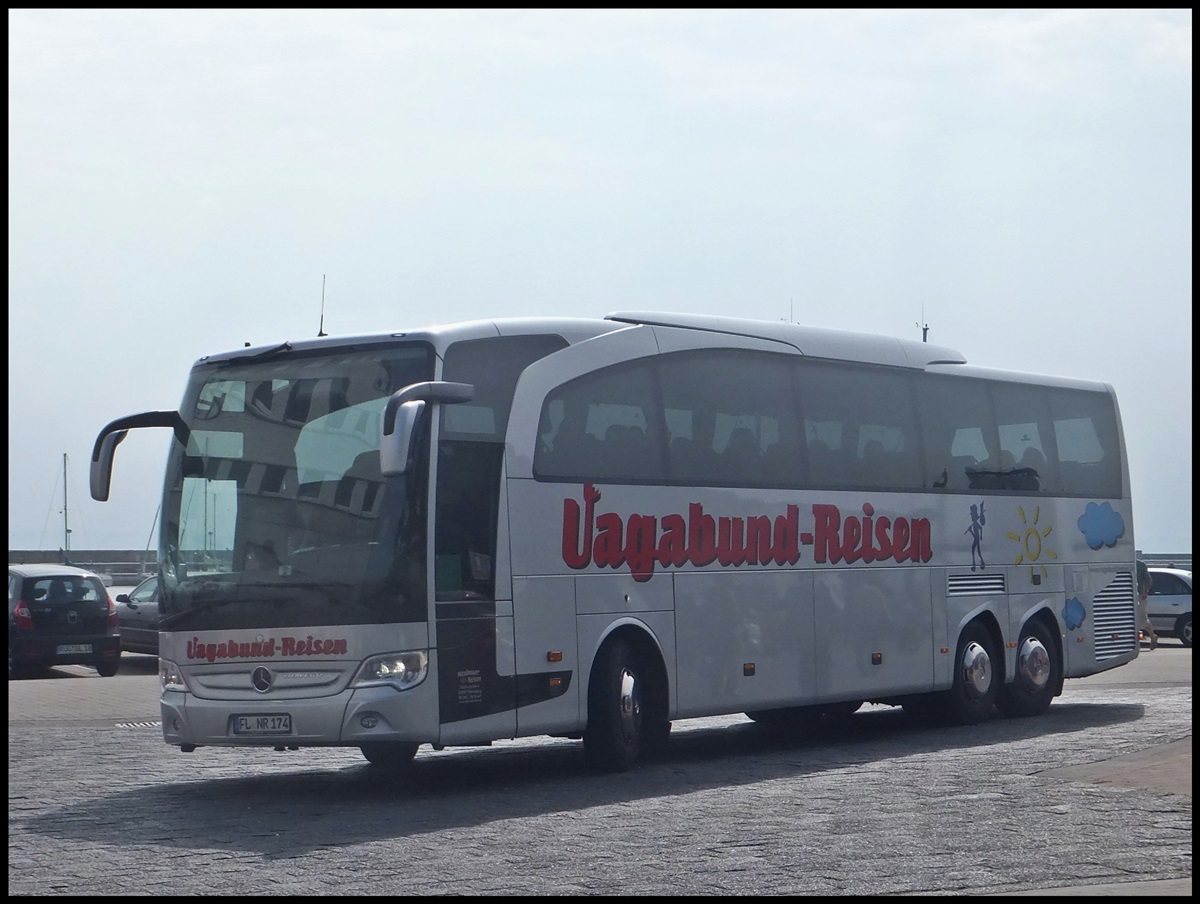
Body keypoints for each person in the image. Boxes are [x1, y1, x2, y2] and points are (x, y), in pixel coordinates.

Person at [1136, 559, 1159, 650]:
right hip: (1127, 595)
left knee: (1142, 619)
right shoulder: (1122, 563)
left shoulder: (1140, 565)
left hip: (1139, 595)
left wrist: (1145, 592)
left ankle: (1153, 636)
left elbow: (1148, 579)